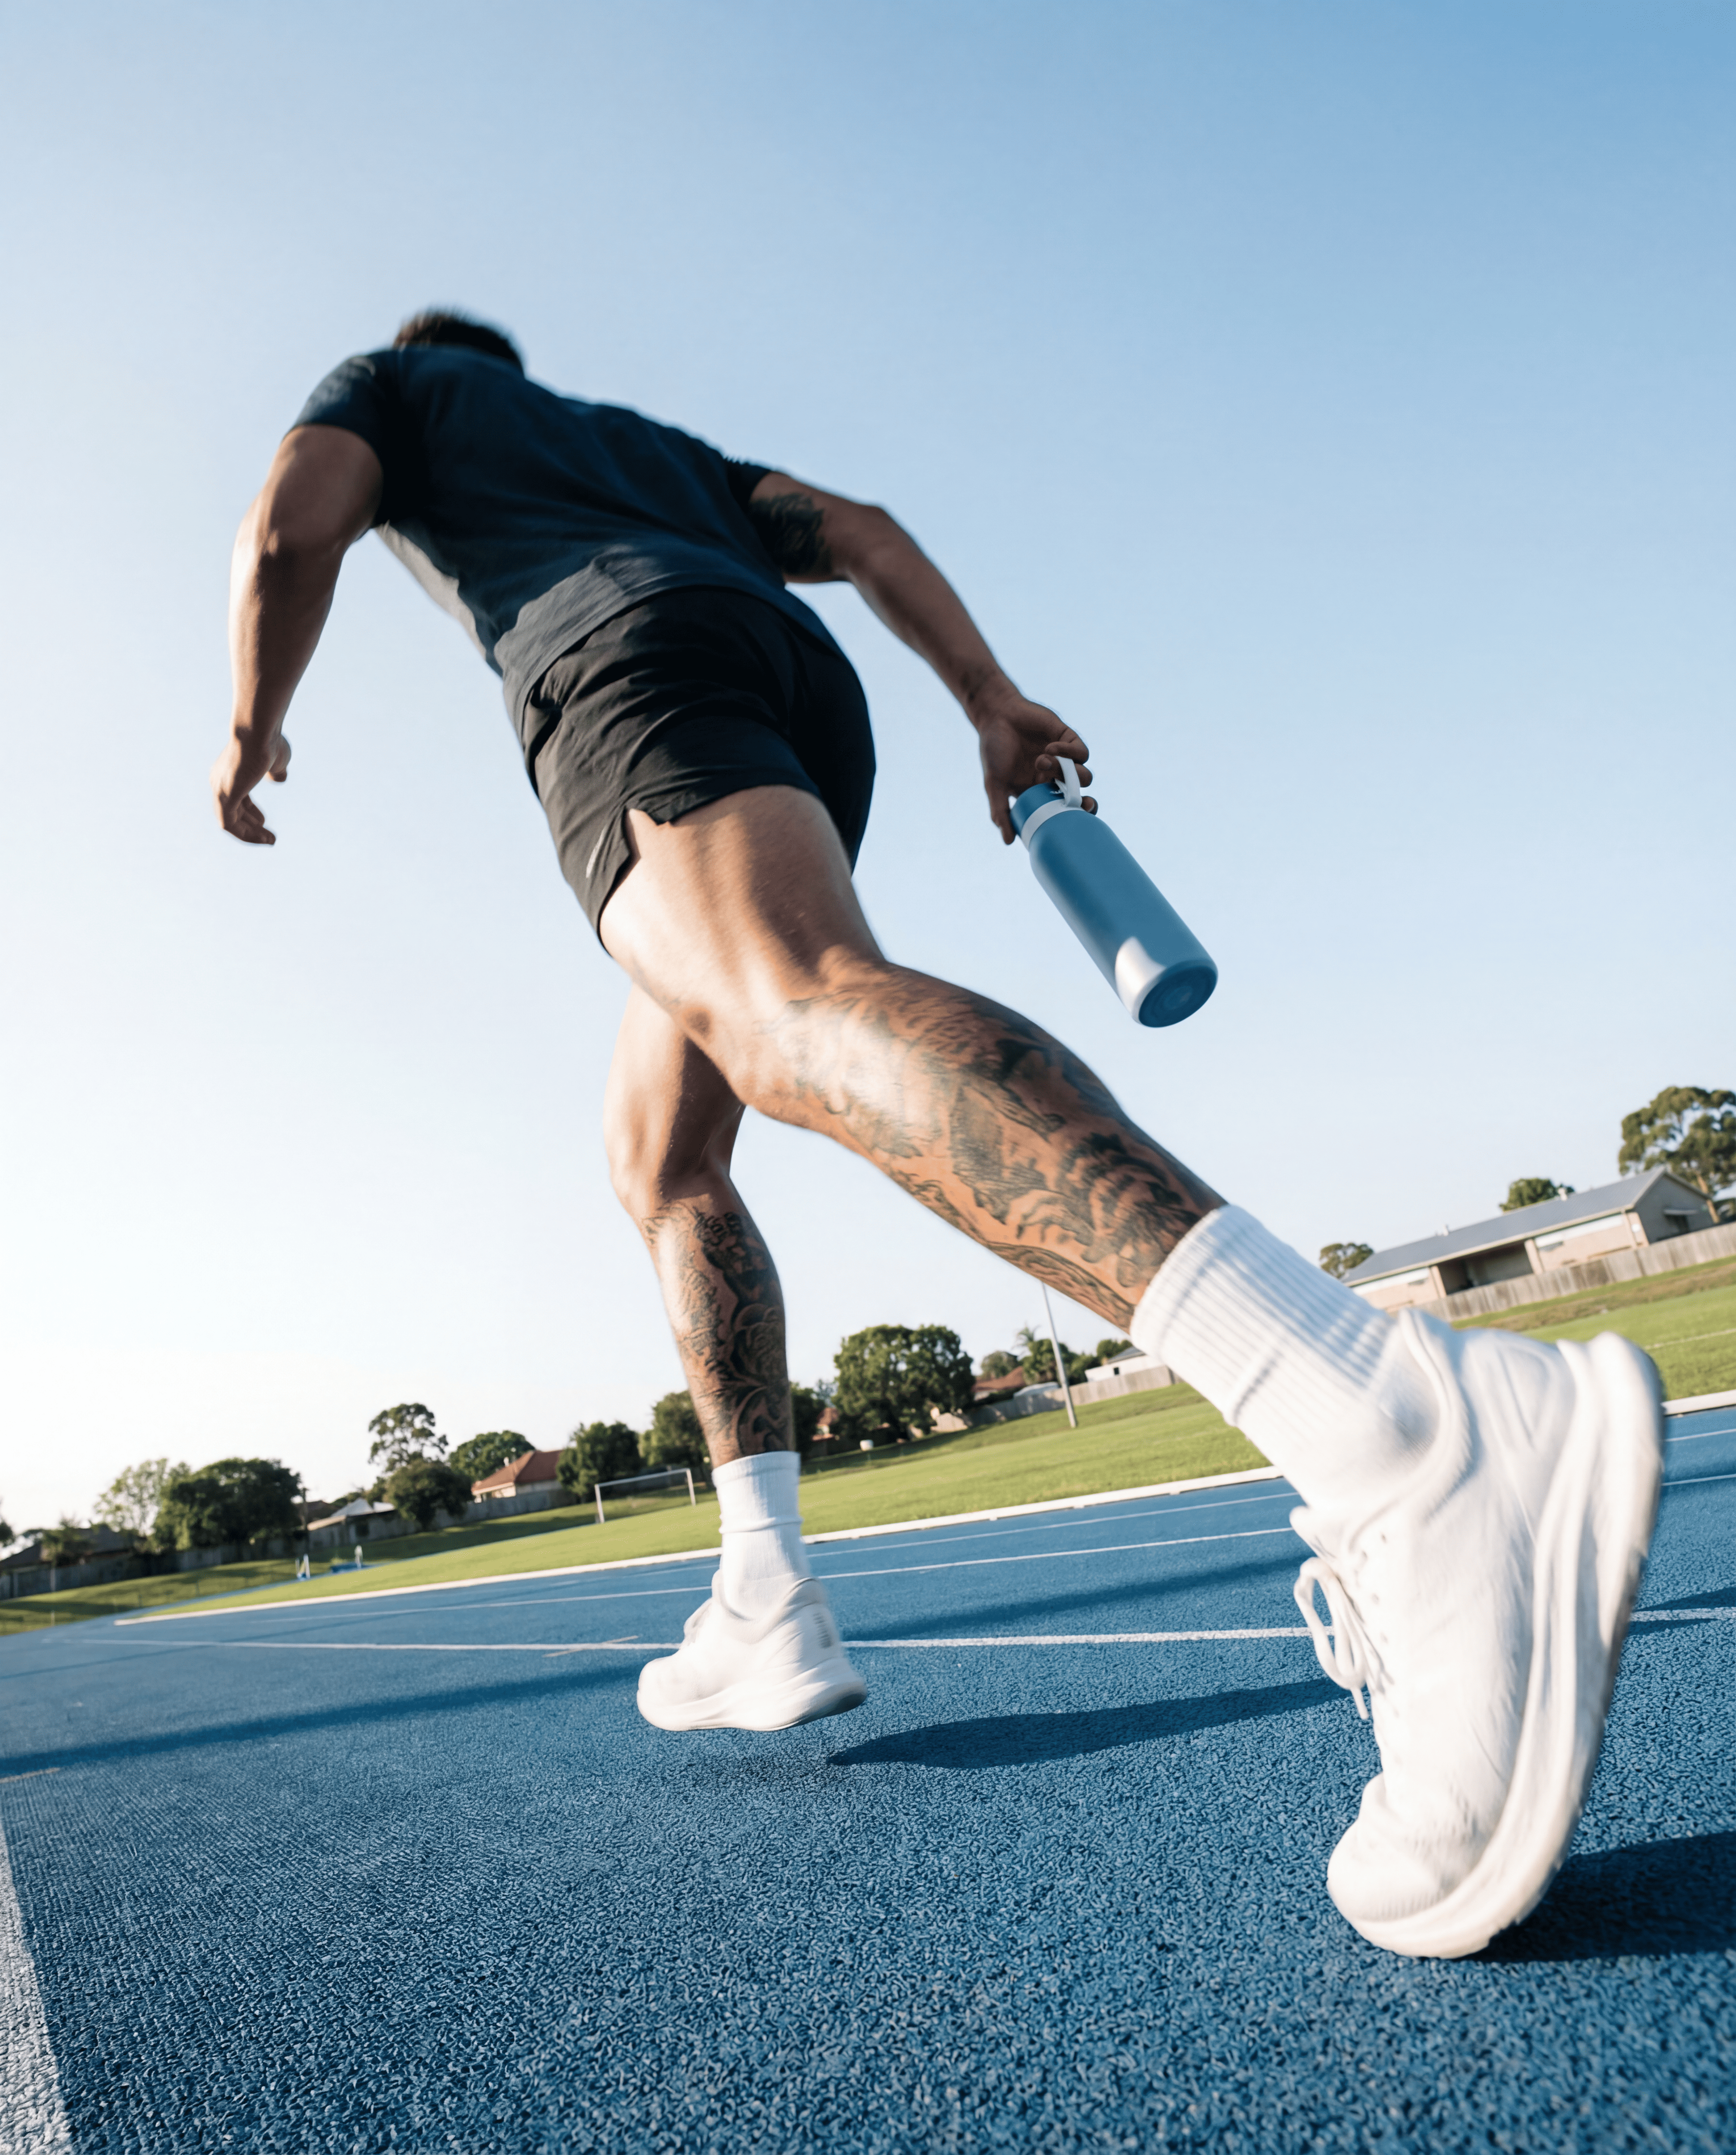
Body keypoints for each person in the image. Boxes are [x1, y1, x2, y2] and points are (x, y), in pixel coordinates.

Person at [215, 309, 1662, 1959]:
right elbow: (862, 532)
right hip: (791, 692)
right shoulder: (644, 447)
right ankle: (763, 1592)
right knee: (664, 1159)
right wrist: (986, 696)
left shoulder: (402, 388)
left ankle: (1389, 1416)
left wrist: (253, 722)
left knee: (794, 1006)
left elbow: (289, 525)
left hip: (623, 674)